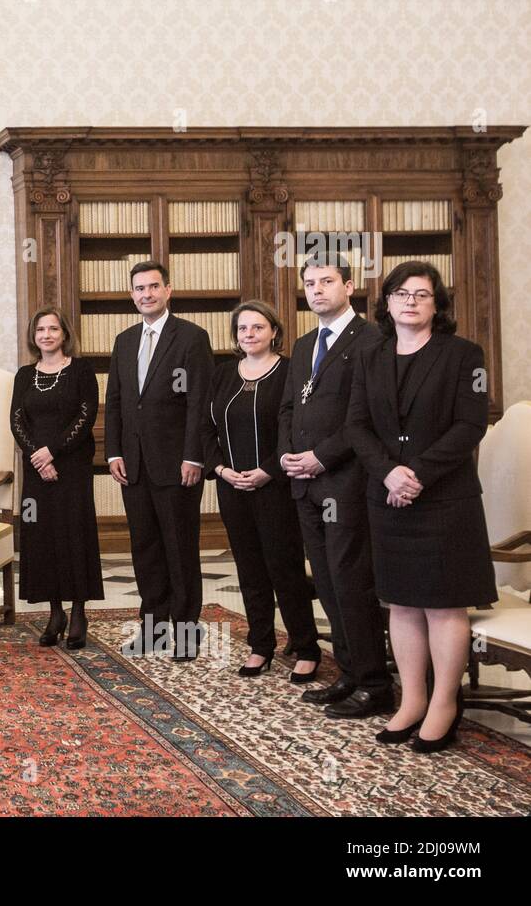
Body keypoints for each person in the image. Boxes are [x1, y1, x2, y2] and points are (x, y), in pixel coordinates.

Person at [346, 262, 496, 752]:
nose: (410, 301)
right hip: (386, 497)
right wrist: (388, 471)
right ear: (386, 303)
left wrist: (417, 474)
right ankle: (412, 700)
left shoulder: (465, 355)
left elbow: (470, 425)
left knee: (443, 603)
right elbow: (357, 426)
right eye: (401, 293)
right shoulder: (370, 356)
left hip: (445, 501)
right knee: (402, 602)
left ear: (437, 305)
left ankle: (444, 705)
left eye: (422, 294)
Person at [277, 253, 392, 718]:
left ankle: (375, 683)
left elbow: (367, 418)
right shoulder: (305, 345)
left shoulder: (372, 341)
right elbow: (288, 407)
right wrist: (288, 454)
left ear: (349, 285)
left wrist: (320, 458)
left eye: (327, 281)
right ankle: (347, 673)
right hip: (303, 483)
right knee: (324, 581)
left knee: (351, 582)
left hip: (345, 482)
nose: (317, 290)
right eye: (309, 282)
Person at [203, 301, 320, 680]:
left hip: (276, 486)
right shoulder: (221, 375)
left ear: (274, 331)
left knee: (284, 569)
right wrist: (221, 470)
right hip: (232, 487)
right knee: (249, 569)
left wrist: (268, 471)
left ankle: (306, 647)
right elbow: (206, 430)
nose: (249, 335)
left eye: (257, 327)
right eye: (242, 329)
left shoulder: (289, 372)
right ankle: (260, 646)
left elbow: (296, 428)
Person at [105, 261, 214, 660]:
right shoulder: (124, 340)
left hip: (176, 464)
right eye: (139, 288)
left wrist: (194, 456)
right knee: (145, 548)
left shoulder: (192, 338)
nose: (146, 294)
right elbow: (116, 400)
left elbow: (200, 402)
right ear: (132, 294)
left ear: (168, 290)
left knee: (179, 548)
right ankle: (153, 627)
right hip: (132, 464)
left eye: (153, 287)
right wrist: (113, 451)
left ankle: (186, 632)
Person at [10, 307, 102, 649]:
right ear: (33, 336)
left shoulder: (81, 370)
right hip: (37, 471)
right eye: (40, 330)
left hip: (72, 467)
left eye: (53, 329)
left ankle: (78, 611)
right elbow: (17, 420)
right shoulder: (24, 374)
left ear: (64, 333)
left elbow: (86, 415)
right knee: (42, 537)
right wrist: (38, 455)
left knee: (74, 536)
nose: (46, 335)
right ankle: (55, 612)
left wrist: (53, 451)